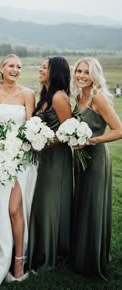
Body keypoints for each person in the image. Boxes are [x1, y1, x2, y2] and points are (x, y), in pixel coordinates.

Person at [0, 54, 37, 287]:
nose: (15, 70)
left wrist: (19, 150)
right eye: (11, 66)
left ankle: (18, 262)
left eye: (19, 67)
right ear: (1, 68)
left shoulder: (28, 94)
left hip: (23, 158)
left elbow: (31, 126)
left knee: (15, 209)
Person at [70, 57, 122, 280]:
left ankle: (92, 261)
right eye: (78, 71)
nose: (81, 75)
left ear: (95, 75)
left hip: (96, 159)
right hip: (80, 160)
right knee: (81, 204)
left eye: (86, 72)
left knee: (93, 206)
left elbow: (119, 130)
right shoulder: (78, 96)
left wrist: (91, 141)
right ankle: (79, 255)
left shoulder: (97, 98)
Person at [28, 56, 73, 272]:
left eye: (44, 67)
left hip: (56, 159)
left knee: (49, 204)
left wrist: (43, 143)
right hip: (43, 157)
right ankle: (40, 250)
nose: (40, 69)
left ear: (54, 72)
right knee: (41, 203)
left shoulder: (59, 97)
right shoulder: (44, 96)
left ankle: (51, 254)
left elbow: (68, 132)